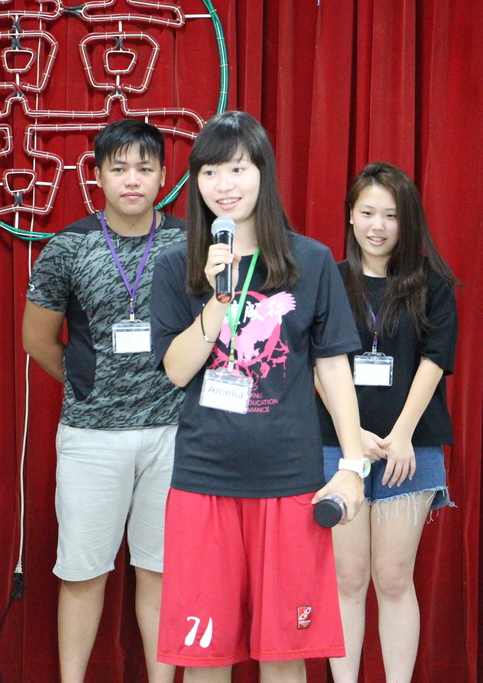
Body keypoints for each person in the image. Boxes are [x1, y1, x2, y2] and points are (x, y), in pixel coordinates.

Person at [150, 110, 370, 681]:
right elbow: (176, 371)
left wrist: (352, 467)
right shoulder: (176, 266)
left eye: (237, 169)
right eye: (210, 172)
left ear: (262, 173)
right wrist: (217, 299)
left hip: (289, 480)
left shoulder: (310, 262)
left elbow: (333, 369)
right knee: (205, 656)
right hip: (204, 478)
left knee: (283, 654)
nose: (224, 185)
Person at [21, 118, 184, 683]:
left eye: (144, 168)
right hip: (91, 437)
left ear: (163, 176)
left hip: (173, 435)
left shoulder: (190, 244)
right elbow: (37, 338)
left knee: (160, 573)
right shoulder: (67, 247)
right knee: (83, 572)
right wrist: (86, 384)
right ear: (97, 176)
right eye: (119, 169)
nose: (131, 180)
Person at [316, 162, 458, 682]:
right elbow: (316, 364)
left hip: (409, 448)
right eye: (368, 212)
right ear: (351, 216)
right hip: (338, 446)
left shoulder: (431, 283)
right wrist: (353, 437)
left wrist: (401, 435)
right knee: (347, 578)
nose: (378, 226)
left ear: (408, 220)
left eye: (391, 215)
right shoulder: (329, 279)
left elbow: (435, 360)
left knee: (394, 577)